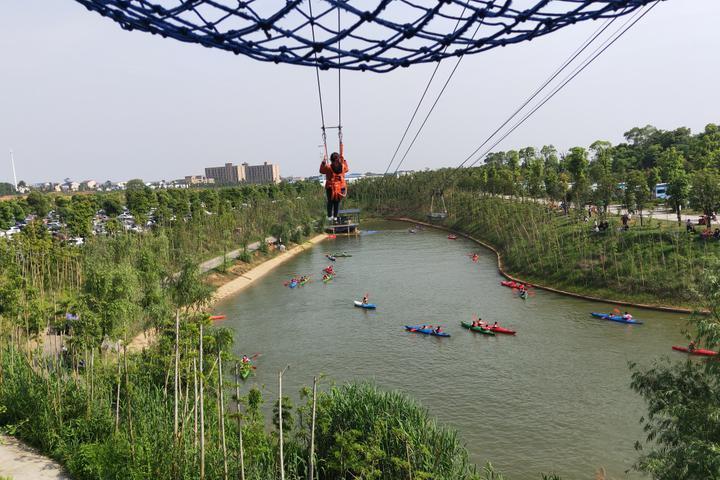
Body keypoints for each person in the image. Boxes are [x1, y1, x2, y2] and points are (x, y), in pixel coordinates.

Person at [319, 149, 349, 222]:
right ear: (338, 159)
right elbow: (347, 169)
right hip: (340, 187)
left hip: (330, 187)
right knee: (336, 202)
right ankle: (335, 217)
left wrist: (323, 162)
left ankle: (330, 217)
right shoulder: (342, 166)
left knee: (330, 202)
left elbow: (321, 171)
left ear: (331, 160)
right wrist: (344, 160)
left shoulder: (329, 167)